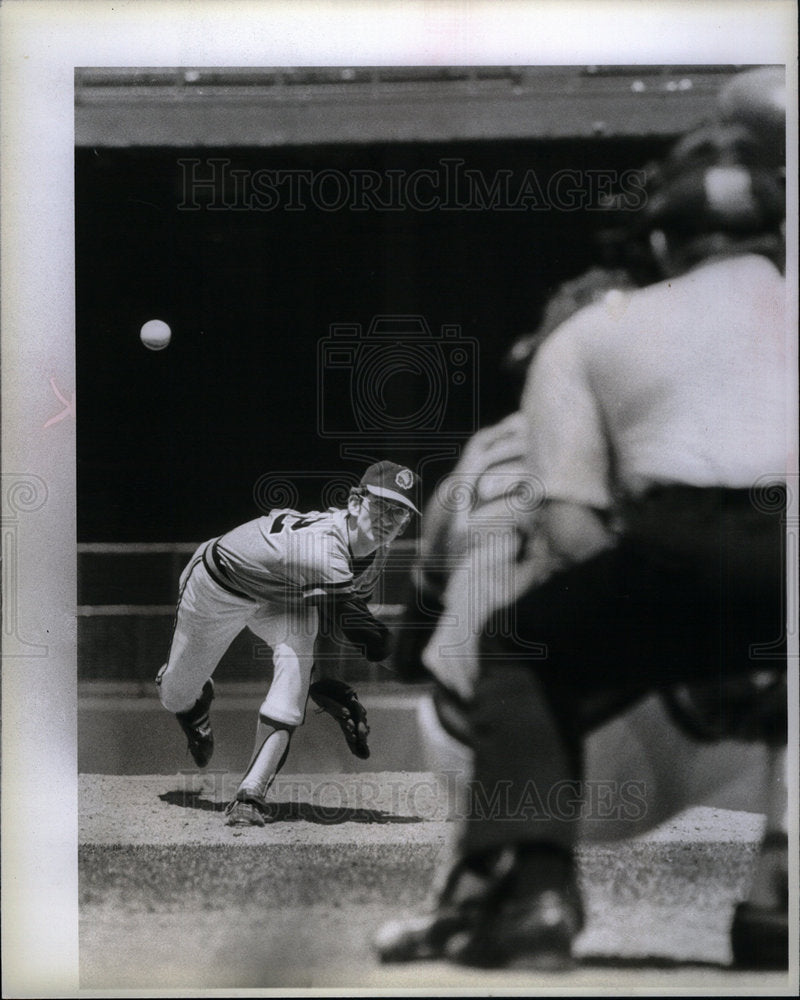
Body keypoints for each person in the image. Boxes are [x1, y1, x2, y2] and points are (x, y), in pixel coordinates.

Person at [376, 73, 789, 970]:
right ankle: (777, 895)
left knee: (522, 646)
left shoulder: (590, 336)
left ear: (661, 242)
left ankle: (533, 900)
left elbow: (571, 532)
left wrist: (678, 636)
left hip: (679, 540)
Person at [156, 460, 420, 826]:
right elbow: (361, 632)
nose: (391, 520)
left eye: (401, 514)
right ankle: (194, 704)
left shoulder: (375, 551)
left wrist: (322, 680)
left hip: (281, 598)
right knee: (174, 695)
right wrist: (425, 665)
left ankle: (251, 794)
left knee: (297, 661)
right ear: (356, 502)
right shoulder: (323, 546)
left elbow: (336, 616)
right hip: (217, 586)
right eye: (383, 506)